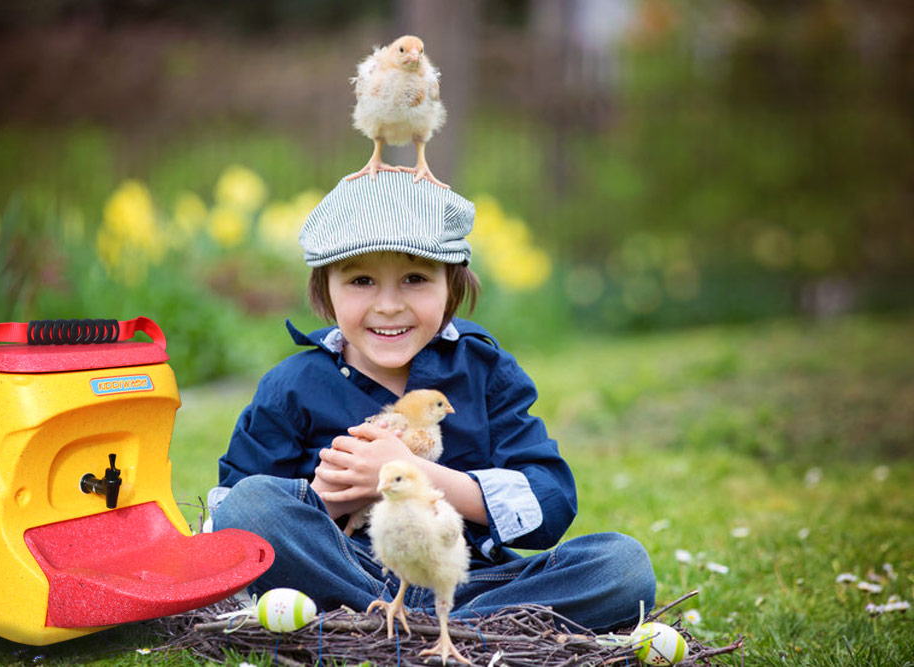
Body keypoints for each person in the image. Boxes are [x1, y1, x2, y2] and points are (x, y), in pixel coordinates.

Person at [209, 171, 655, 632]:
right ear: (325, 289)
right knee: (253, 507)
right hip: (347, 569)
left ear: (452, 285)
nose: (388, 305)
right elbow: (233, 518)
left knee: (621, 566)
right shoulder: (292, 385)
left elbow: (550, 501)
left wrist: (416, 472)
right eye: (361, 280)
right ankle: (440, 628)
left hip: (472, 579)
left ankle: (419, 627)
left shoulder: (484, 371)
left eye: (415, 278)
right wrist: (329, 499)